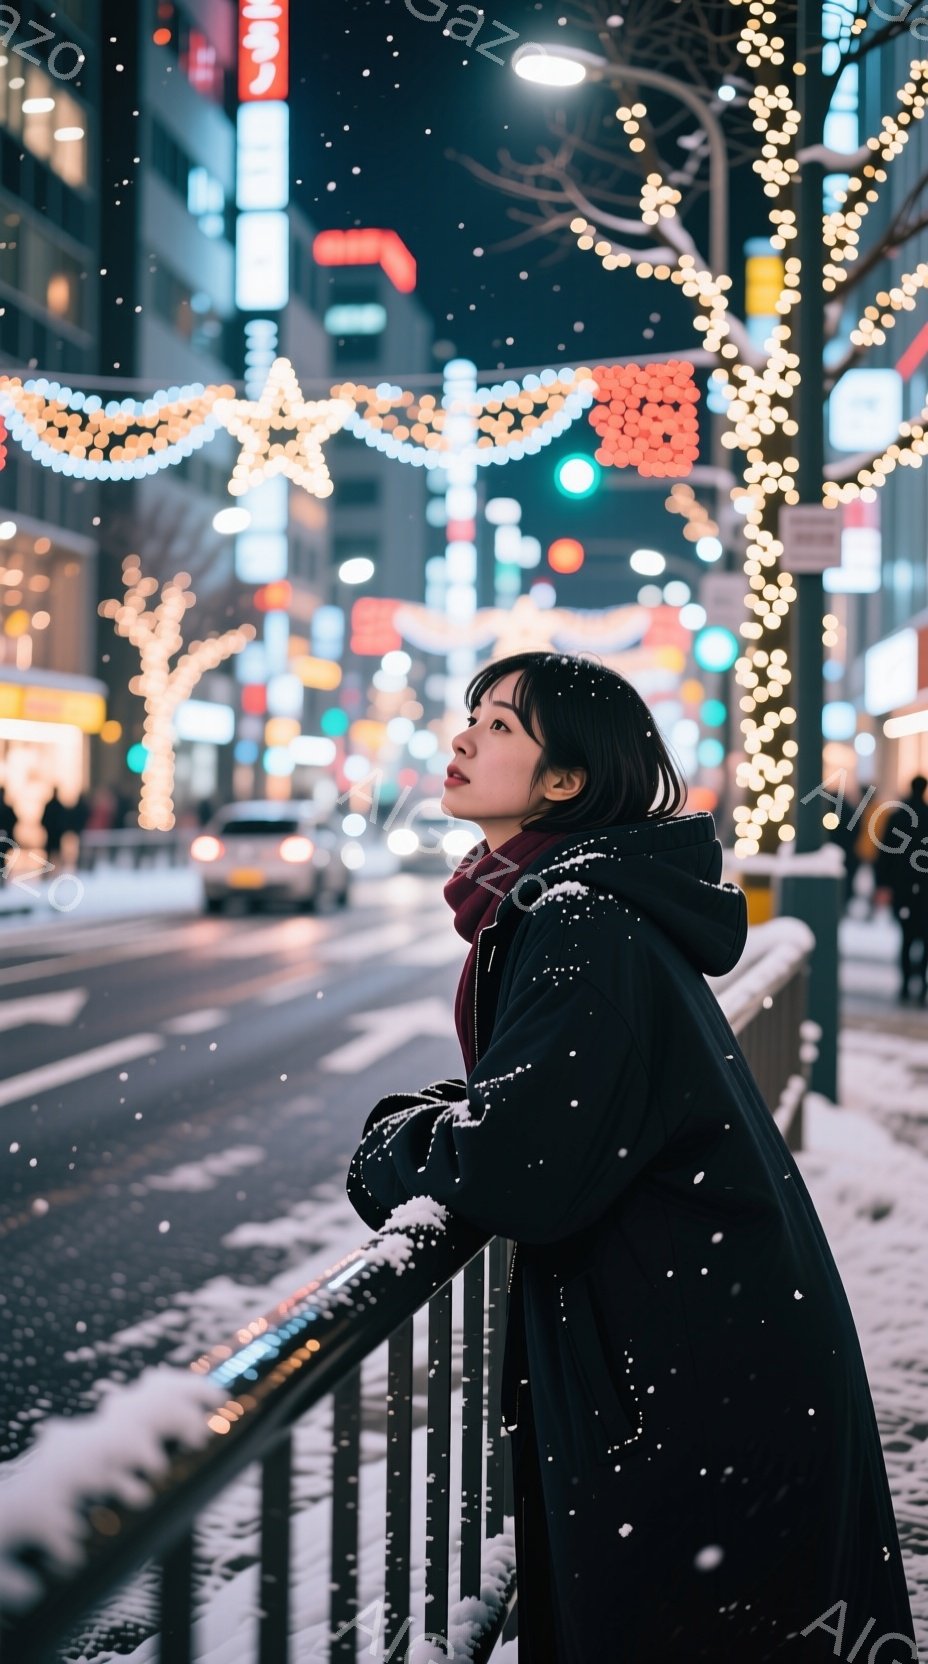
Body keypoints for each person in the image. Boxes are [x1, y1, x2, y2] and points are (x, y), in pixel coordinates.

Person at [346, 651, 915, 1663]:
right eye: (471, 714)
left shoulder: (576, 917)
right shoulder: (577, 903)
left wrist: (393, 1147)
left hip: (682, 1379)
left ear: (565, 780)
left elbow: (523, 1168)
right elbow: (551, 1106)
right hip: (696, 1341)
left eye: (503, 725)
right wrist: (465, 1115)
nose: (465, 736)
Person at [874, 773, 928, 1004]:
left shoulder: (897, 817)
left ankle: (906, 983)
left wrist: (883, 884)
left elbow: (884, 852)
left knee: (906, 937)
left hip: (903, 886)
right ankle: (921, 983)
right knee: (924, 937)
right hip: (925, 888)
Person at [40, 786, 69, 863]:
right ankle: (53, 867)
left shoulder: (52, 805)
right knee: (53, 851)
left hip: (54, 832)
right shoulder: (56, 806)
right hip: (54, 832)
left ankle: (54, 867)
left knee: (54, 851)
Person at [0, 784, 16, 885]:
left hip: (5, 839)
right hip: (5, 838)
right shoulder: (7, 808)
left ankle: (3, 880)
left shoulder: (8, 809)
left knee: (3, 859)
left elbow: (13, 821)